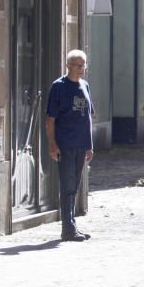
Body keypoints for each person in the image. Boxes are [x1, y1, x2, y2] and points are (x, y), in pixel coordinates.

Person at [45, 49, 94, 242]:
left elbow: (88, 118)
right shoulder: (59, 87)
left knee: (74, 186)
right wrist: (52, 144)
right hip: (65, 144)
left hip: (81, 145)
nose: (81, 69)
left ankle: (72, 225)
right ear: (68, 66)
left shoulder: (85, 86)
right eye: (77, 65)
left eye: (83, 65)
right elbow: (50, 119)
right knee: (67, 185)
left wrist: (89, 145)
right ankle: (67, 229)